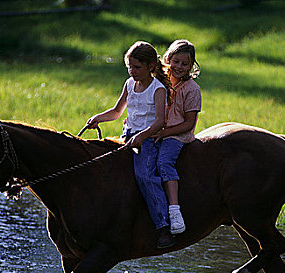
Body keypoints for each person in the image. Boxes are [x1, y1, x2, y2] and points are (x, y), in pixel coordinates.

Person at [85, 41, 176, 249]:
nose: (132, 71)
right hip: (128, 136)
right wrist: (97, 118)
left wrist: (142, 136)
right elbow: (117, 111)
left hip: (148, 140)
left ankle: (163, 226)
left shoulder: (158, 89)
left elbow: (160, 122)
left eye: (137, 67)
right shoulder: (129, 84)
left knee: (145, 176)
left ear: (151, 66)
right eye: (130, 67)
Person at [153, 39, 201, 236]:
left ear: (191, 66)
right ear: (168, 59)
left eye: (185, 63)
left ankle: (174, 210)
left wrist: (164, 133)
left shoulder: (191, 89)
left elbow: (189, 124)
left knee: (164, 162)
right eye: (176, 61)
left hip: (177, 135)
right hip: (156, 130)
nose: (179, 67)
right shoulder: (160, 81)